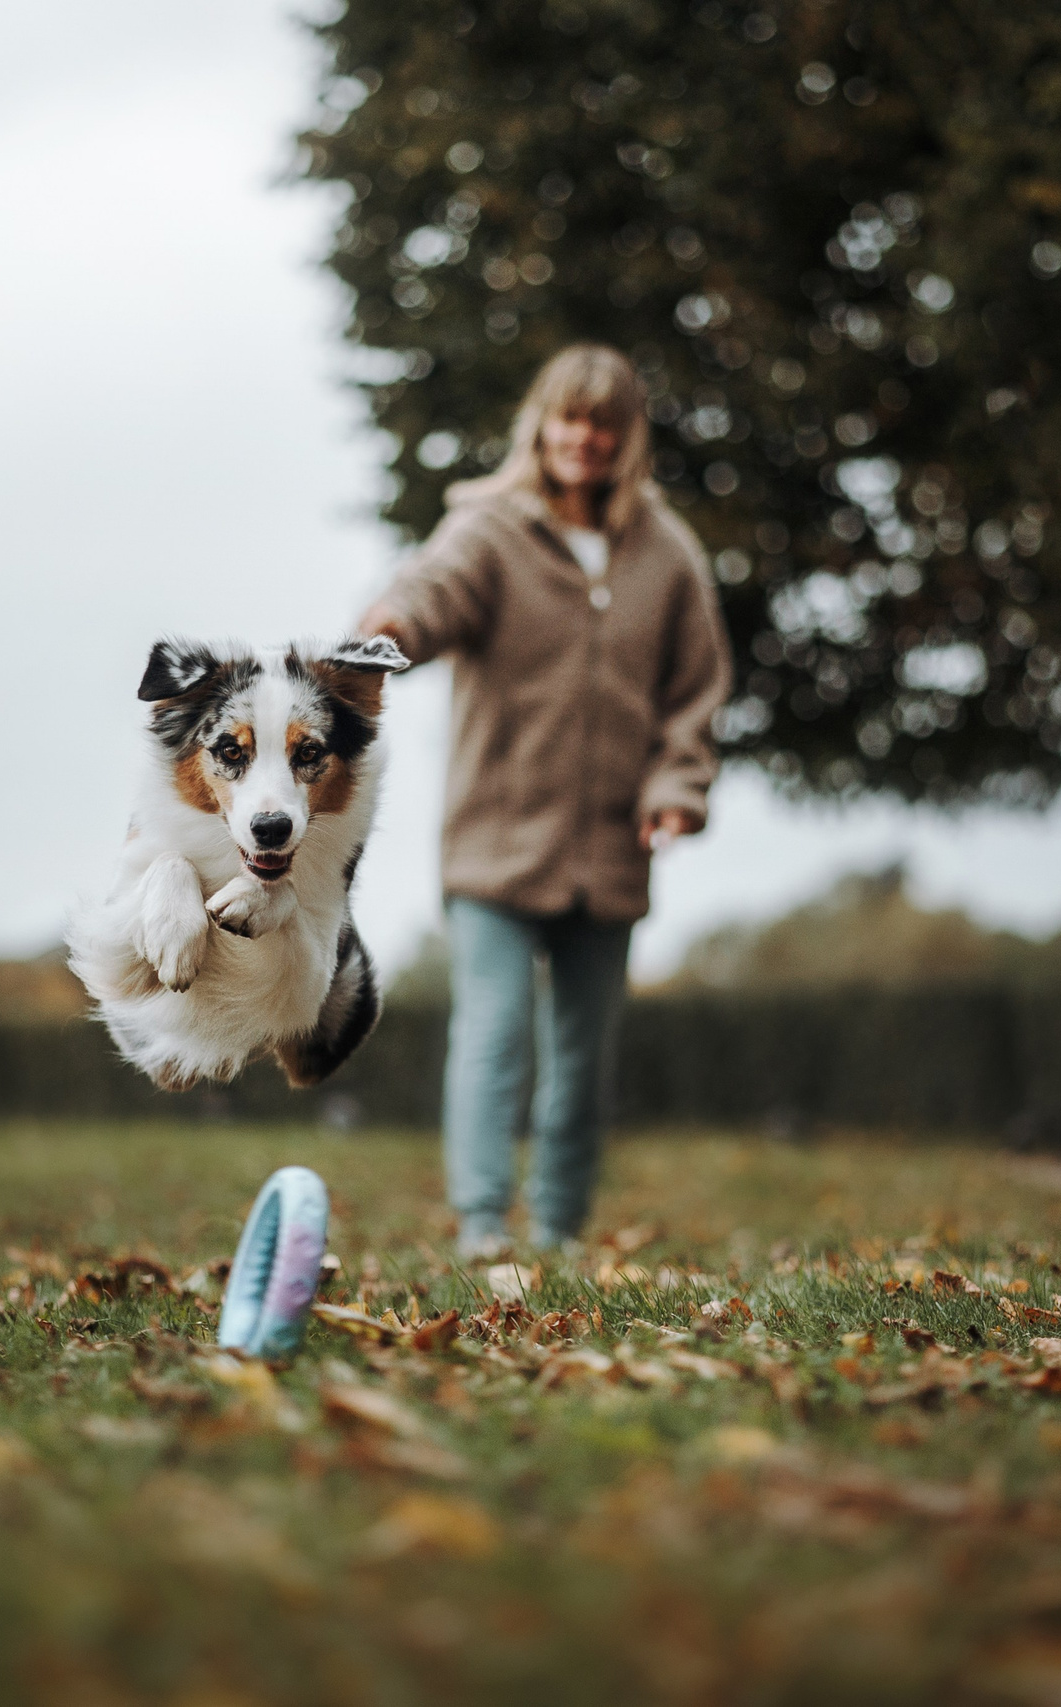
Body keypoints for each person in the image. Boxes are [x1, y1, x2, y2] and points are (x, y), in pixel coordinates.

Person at [359, 344, 732, 1259]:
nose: (585, 438)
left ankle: (560, 1228)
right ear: (542, 423)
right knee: (494, 1033)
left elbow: (695, 690)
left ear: (627, 437)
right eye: (571, 418)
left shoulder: (667, 553)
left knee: (582, 1059)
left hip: (612, 846)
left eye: (604, 423)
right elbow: (429, 594)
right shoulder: (490, 529)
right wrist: (389, 633)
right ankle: (484, 1224)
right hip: (496, 839)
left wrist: (677, 789)